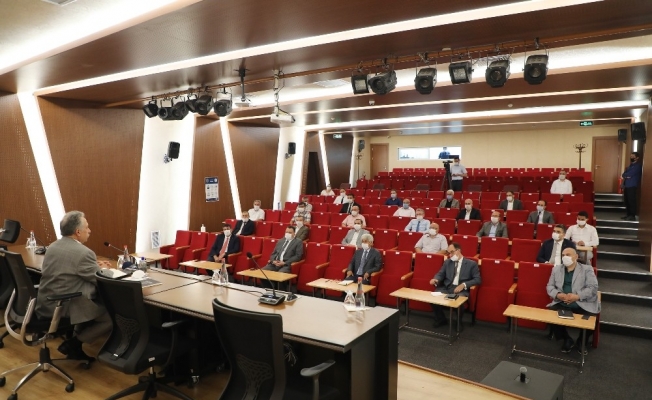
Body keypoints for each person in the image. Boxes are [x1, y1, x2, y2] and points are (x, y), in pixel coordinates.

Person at [35, 211, 112, 361]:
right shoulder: (84, 253)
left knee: (87, 300)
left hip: (45, 302)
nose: (89, 231)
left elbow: (70, 266)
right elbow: (101, 279)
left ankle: (75, 346)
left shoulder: (53, 246)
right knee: (110, 317)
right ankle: (74, 343)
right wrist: (105, 269)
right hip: (63, 307)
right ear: (78, 232)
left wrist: (94, 266)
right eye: (87, 227)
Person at [546, 248, 600, 354]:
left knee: (591, 319)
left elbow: (593, 288)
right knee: (551, 315)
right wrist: (558, 295)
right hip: (562, 301)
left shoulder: (587, 269)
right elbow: (549, 286)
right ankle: (567, 339)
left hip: (582, 302)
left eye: (568, 254)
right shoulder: (556, 269)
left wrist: (577, 296)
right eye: (563, 255)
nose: (565, 257)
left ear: (576, 257)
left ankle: (581, 342)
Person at [429, 243, 481, 327]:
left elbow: (477, 279)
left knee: (459, 301)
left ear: (458, 251)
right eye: (448, 253)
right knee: (432, 298)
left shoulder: (471, 264)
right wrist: (436, 279)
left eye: (452, 252)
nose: (450, 255)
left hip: (461, 290)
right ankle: (441, 319)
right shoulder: (447, 262)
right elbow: (440, 274)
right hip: (447, 287)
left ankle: (458, 322)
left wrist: (463, 285)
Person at [622, 152, 643, 221]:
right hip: (627, 185)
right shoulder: (630, 165)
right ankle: (628, 214)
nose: (631, 157)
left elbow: (630, 174)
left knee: (631, 201)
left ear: (637, 158)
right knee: (627, 201)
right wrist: (626, 176)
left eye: (633, 156)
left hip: (632, 185)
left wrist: (627, 175)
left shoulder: (638, 166)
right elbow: (624, 174)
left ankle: (632, 215)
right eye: (631, 156)